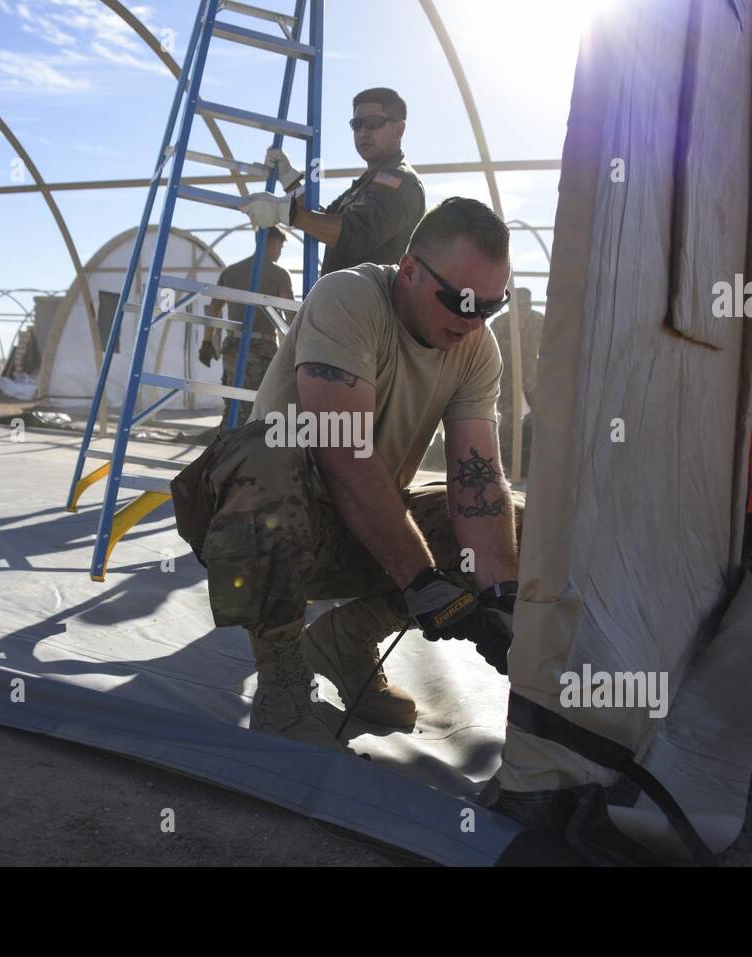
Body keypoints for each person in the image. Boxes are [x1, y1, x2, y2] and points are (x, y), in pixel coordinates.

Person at [172, 198, 521, 750]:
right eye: (459, 300)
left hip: (365, 529)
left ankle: (346, 642)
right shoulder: (349, 297)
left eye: (490, 307)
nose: (472, 319)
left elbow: (477, 481)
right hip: (273, 521)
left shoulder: (476, 348)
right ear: (409, 270)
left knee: (511, 522)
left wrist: (503, 598)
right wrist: (426, 585)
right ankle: (284, 689)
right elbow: (342, 455)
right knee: (267, 453)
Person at [243, 88, 425, 276]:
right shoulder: (368, 183)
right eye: (356, 124)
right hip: (350, 300)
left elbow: (356, 235)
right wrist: (289, 179)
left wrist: (285, 212)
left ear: (399, 129)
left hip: (372, 304)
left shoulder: (400, 182)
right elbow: (324, 219)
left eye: (373, 123)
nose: (363, 132)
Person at [198, 227, 294, 428]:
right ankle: (246, 451)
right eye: (280, 246)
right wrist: (296, 348)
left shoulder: (231, 272)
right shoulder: (279, 275)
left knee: (232, 403)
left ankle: (226, 448)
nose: (280, 251)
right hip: (261, 349)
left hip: (233, 345)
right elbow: (290, 314)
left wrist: (206, 342)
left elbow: (214, 308)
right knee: (259, 405)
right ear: (272, 243)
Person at [487, 287, 543, 472]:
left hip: (531, 373)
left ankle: (541, 457)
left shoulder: (538, 321)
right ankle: (508, 460)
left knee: (544, 413)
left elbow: (551, 349)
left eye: (527, 305)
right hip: (506, 375)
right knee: (507, 417)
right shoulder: (500, 323)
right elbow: (490, 352)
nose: (524, 310)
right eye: (520, 305)